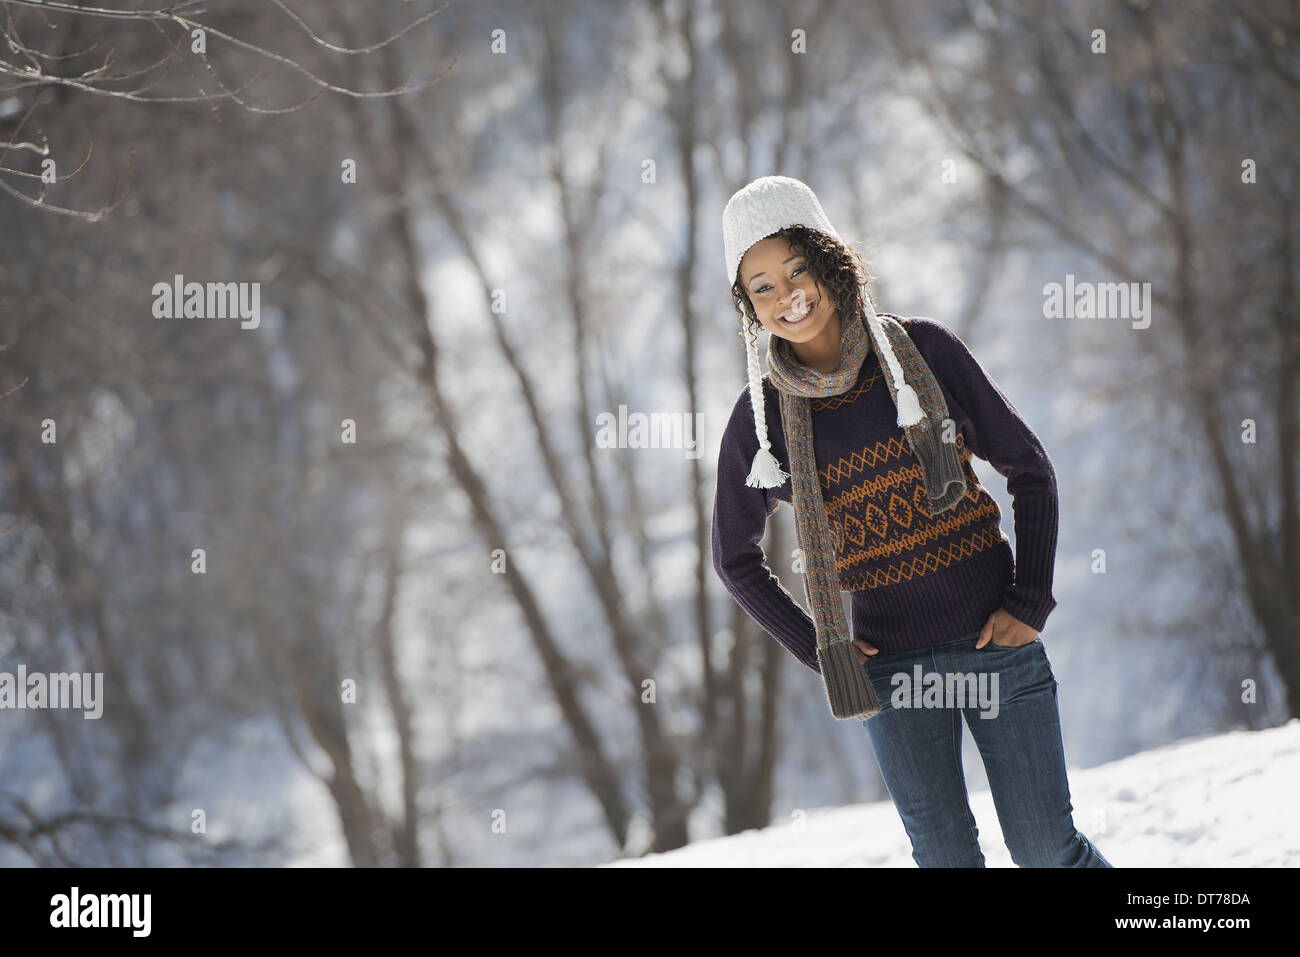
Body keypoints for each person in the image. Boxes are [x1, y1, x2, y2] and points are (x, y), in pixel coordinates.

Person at [711, 174, 1112, 868]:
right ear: (747, 303)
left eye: (797, 267)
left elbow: (1029, 466)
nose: (789, 294)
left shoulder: (923, 351)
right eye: (763, 285)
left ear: (829, 258)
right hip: (892, 674)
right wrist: (818, 647)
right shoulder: (765, 418)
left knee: (1048, 849)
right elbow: (734, 556)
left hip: (998, 643)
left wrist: (1031, 598)